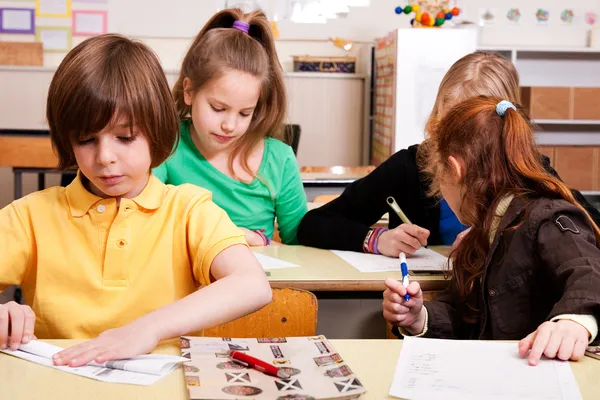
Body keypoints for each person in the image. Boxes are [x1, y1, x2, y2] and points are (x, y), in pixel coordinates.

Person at [0, 34, 272, 367]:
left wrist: (147, 329)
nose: (105, 157)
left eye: (125, 137)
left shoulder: (188, 210)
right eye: (86, 139)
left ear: (156, 128)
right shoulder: (30, 216)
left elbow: (252, 285)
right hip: (63, 382)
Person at [297, 51, 600, 257]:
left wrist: (500, 241)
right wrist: (375, 239)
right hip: (427, 311)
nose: (454, 142)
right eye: (446, 124)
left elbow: (590, 231)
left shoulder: (529, 170)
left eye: (469, 130)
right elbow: (313, 226)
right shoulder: (410, 166)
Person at [383, 96, 600, 365]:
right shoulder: (482, 234)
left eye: (439, 177)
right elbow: (466, 317)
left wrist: (572, 321)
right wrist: (419, 318)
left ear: (455, 169)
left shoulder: (546, 218)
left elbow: (589, 272)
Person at [153, 8, 307, 246]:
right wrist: (237, 234)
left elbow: (300, 246)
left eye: (245, 113)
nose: (229, 125)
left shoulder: (280, 159)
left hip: (260, 281)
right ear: (189, 91)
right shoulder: (167, 144)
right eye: (217, 108)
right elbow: (145, 220)